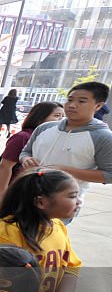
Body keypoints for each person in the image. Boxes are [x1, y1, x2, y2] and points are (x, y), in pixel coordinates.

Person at [20, 81, 112, 216]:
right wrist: (26, 159)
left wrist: (64, 171)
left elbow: (109, 175)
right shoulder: (45, 128)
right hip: (27, 194)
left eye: (82, 101)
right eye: (70, 100)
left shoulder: (103, 137)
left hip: (61, 204)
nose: (72, 105)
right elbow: (25, 151)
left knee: (47, 237)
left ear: (98, 106)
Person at [0, 101, 64, 205]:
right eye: (57, 116)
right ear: (40, 117)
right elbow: (5, 167)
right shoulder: (23, 137)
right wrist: (2, 196)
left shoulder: (52, 138)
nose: (61, 120)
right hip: (16, 194)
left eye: (63, 116)